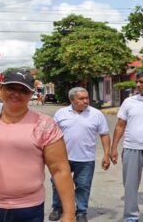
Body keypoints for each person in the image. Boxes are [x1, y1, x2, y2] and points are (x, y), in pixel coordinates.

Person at [0, 70, 75, 222]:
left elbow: (60, 170)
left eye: (24, 90)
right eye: (11, 88)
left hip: (27, 210)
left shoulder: (44, 124)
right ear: (1, 89)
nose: (16, 94)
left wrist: (69, 214)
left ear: (31, 94)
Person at [49, 87, 111, 222]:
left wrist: (107, 154)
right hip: (62, 158)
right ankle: (57, 208)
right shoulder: (61, 113)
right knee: (57, 183)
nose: (86, 101)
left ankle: (81, 211)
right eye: (81, 99)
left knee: (83, 186)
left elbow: (104, 134)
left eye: (87, 98)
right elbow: (52, 135)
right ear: (72, 100)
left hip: (86, 159)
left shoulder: (96, 114)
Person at [110, 71, 143, 222]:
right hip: (132, 148)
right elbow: (120, 126)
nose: (138, 85)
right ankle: (131, 216)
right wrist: (113, 147)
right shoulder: (129, 102)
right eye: (138, 81)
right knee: (130, 185)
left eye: (141, 82)